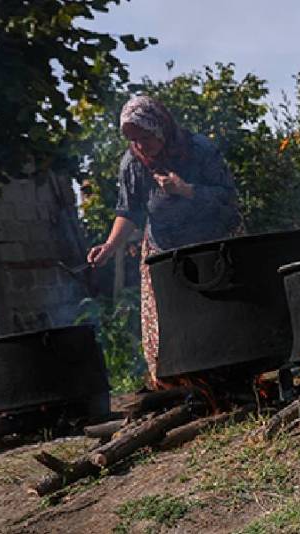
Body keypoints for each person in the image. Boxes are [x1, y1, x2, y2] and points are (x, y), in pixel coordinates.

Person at [86, 95, 242, 388]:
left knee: (220, 309)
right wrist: (110, 246)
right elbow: (128, 211)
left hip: (216, 241)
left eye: (144, 137)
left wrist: (185, 190)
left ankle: (234, 374)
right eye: (133, 139)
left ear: (161, 128)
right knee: (169, 316)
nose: (140, 146)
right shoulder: (133, 162)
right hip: (165, 248)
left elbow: (228, 198)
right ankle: (184, 382)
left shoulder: (199, 150)